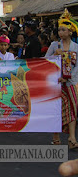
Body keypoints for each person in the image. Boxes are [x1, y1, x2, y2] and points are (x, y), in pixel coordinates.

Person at [45, 18, 78, 149]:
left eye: (63, 29)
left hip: (71, 83)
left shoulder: (76, 47)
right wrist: (54, 55)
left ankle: (72, 138)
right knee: (56, 110)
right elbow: (45, 61)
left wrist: (68, 78)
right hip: (56, 82)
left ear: (70, 32)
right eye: (59, 29)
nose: (60, 32)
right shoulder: (54, 45)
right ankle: (56, 137)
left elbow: (77, 67)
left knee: (72, 109)